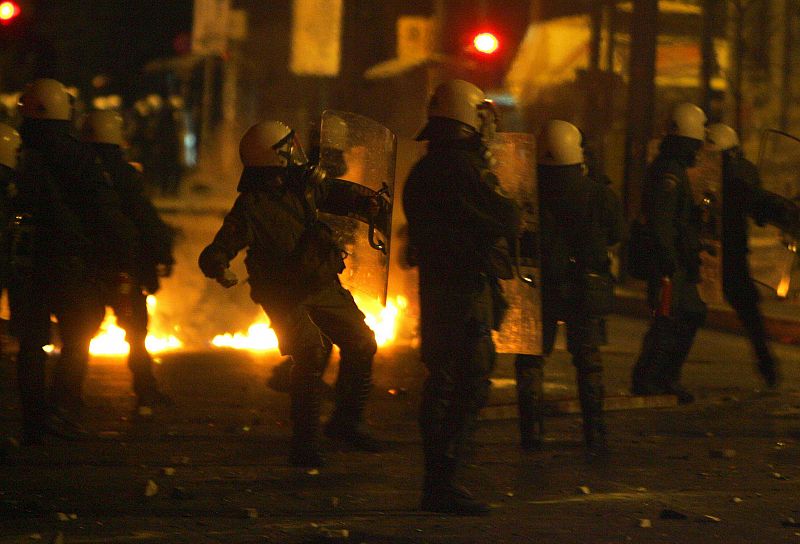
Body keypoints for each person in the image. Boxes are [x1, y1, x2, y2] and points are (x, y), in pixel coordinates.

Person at [199, 120, 388, 468]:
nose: (296, 154)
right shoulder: (251, 206)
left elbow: (337, 194)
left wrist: (368, 202)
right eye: (288, 148)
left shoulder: (304, 187)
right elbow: (218, 248)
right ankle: (305, 444)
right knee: (310, 353)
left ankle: (346, 423)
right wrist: (219, 266)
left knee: (362, 342)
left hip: (320, 282)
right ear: (272, 157)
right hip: (283, 294)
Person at [403, 79, 520, 515]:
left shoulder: (424, 170)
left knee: (442, 380)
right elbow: (506, 215)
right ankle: (444, 482)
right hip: (466, 289)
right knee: (467, 381)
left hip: (438, 288)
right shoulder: (466, 170)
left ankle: (438, 480)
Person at [12, 78, 138, 441]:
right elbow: (102, 208)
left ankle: (35, 419)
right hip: (69, 262)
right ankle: (61, 408)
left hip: (26, 263)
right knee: (79, 335)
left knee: (31, 344)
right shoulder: (77, 155)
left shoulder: (15, 150)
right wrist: (126, 248)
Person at [514, 120, 612, 458]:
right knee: (588, 360)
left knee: (531, 360)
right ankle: (594, 432)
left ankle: (531, 433)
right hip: (585, 286)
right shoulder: (595, 192)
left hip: (540, 287)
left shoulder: (526, 190)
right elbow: (616, 231)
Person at [79, 109, 176, 409]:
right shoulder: (124, 175)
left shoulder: (73, 172)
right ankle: (145, 389)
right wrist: (162, 253)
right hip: (123, 267)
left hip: (87, 267)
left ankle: (65, 397)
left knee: (79, 335)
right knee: (135, 332)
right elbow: (144, 218)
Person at [707, 123, 800, 388]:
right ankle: (767, 365)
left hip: (722, 252)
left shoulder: (730, 177)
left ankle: (767, 365)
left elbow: (756, 202)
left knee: (690, 313)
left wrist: (784, 214)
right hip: (726, 253)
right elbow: (759, 203)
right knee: (743, 311)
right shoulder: (736, 173)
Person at [631, 103, 708, 404]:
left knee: (684, 315)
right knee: (669, 319)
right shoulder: (669, 172)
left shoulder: (670, 167)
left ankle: (660, 377)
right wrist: (667, 260)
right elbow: (662, 221)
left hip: (675, 259)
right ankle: (652, 379)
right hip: (670, 262)